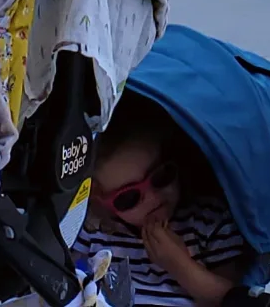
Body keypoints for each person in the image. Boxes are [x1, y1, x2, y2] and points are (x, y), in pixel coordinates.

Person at [76, 108, 247, 307]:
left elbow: (231, 299)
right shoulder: (91, 230)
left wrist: (179, 264)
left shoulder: (208, 221)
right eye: (129, 197)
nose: (154, 198)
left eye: (161, 177)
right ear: (99, 201)